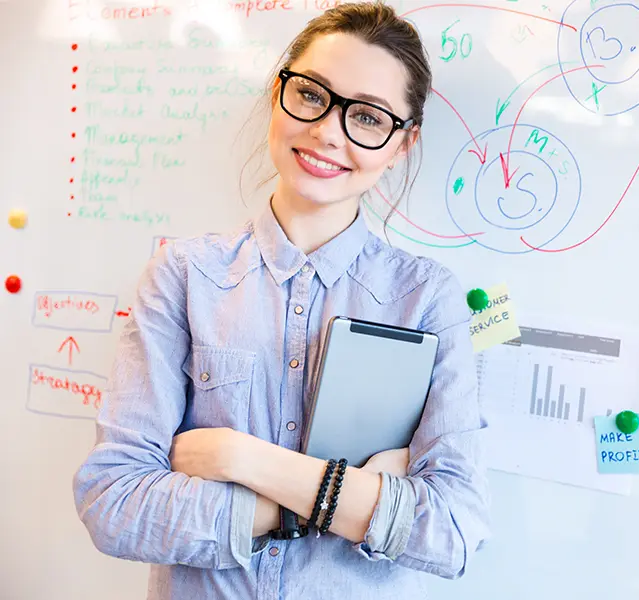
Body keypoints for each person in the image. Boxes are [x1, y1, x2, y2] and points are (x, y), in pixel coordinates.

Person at [72, 3, 491, 598]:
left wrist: (239, 458)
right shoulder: (184, 275)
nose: (327, 131)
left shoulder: (426, 298)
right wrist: (346, 498)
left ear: (403, 144)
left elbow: (453, 529)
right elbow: (112, 502)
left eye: (368, 118)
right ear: (279, 93)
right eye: (313, 95)